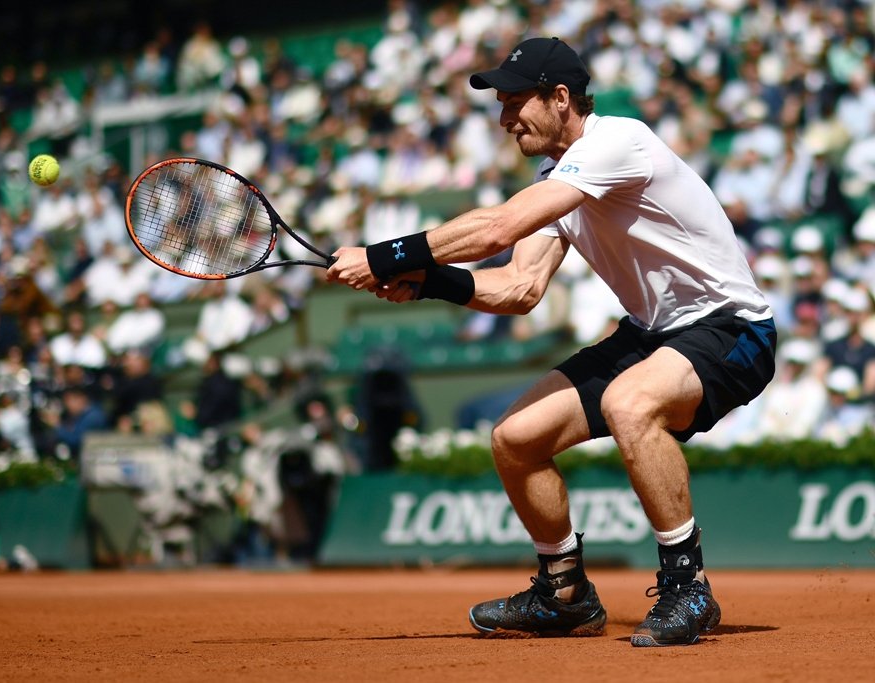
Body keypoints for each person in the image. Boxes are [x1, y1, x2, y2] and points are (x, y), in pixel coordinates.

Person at [327, 37, 777, 647]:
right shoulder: (559, 180)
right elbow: (519, 286)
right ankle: (564, 593)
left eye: (515, 102)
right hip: (651, 334)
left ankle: (687, 586)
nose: (505, 119)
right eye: (501, 105)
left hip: (731, 328)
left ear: (560, 98)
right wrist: (429, 281)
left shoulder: (619, 142)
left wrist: (383, 257)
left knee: (629, 403)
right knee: (515, 439)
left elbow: (498, 227)